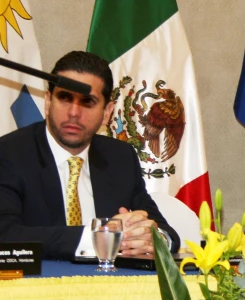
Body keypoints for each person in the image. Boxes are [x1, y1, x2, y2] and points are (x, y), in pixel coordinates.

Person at [0, 51, 179, 260]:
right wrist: (99, 237)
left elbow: (161, 228)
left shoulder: (120, 157)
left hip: (112, 287)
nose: (74, 113)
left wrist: (154, 239)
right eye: (64, 98)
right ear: (48, 101)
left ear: (107, 112)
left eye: (87, 102)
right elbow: (5, 235)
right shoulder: (9, 154)